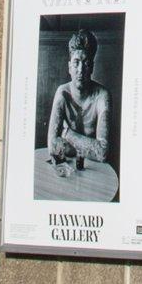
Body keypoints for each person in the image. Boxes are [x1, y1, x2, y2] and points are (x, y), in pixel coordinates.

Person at [40, 30, 115, 191]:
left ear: (92, 67)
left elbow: (102, 153)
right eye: (76, 63)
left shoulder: (102, 96)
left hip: (97, 173)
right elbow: (52, 147)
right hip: (69, 172)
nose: (81, 69)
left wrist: (66, 134)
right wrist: (89, 146)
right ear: (69, 67)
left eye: (86, 63)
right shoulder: (62, 93)